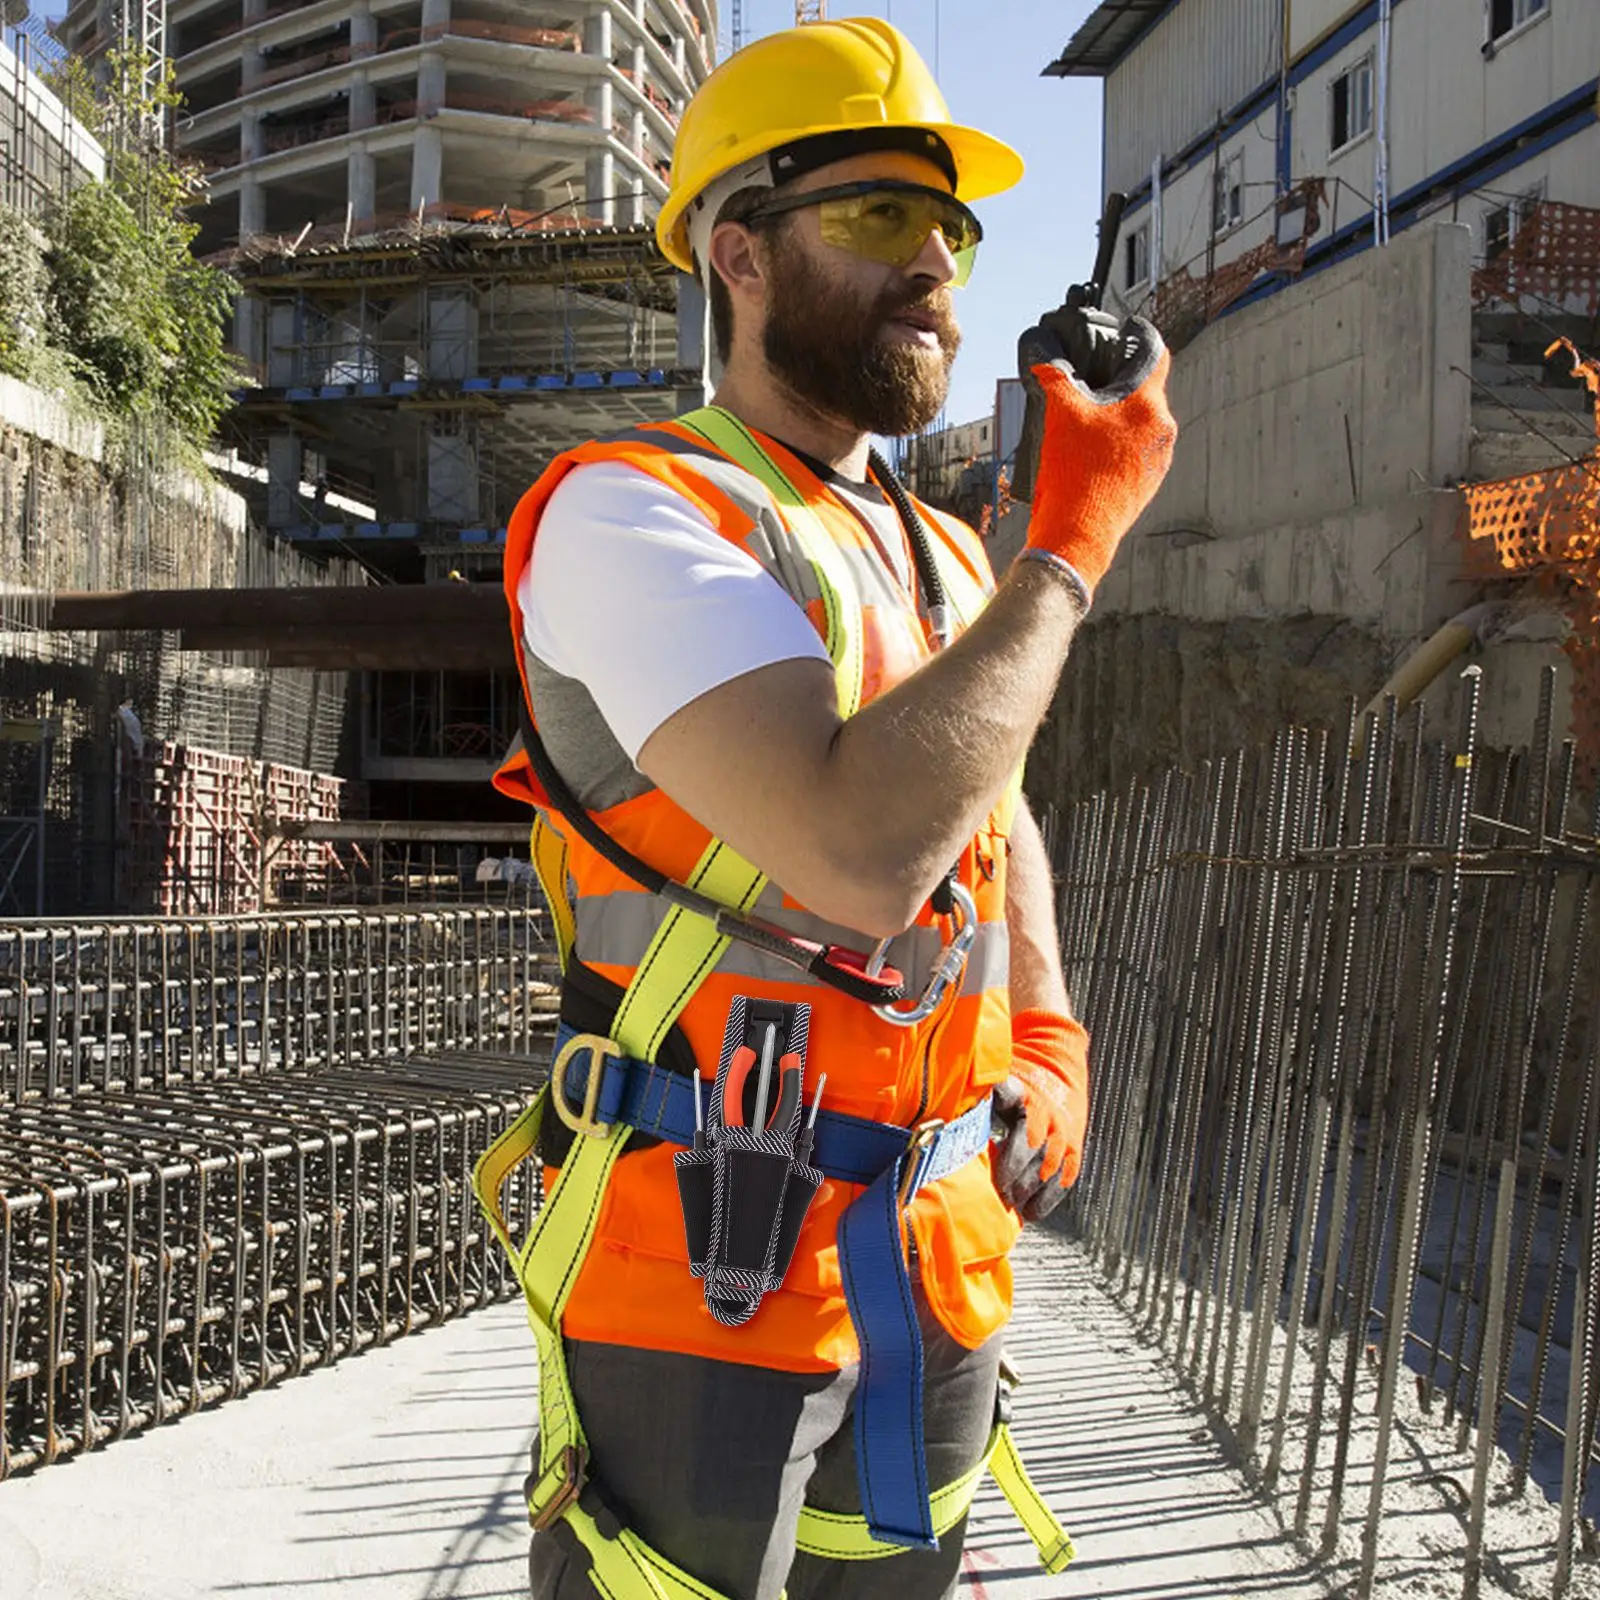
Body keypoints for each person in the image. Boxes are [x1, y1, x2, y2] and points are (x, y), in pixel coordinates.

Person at [476, 18, 1176, 1600]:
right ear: (738, 253)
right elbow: (858, 851)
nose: (934, 260)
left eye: (954, 228)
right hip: (704, 1282)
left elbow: (991, 818)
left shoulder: (939, 552)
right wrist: (1067, 554)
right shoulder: (635, 514)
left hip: (934, 1257)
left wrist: (1049, 1033)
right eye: (878, 219)